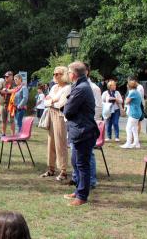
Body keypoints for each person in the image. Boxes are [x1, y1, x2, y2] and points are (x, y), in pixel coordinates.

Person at [63, 61, 99, 206]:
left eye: (68, 72)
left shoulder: (81, 88)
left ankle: (82, 196)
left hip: (83, 131)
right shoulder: (80, 86)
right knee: (76, 163)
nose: (68, 75)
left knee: (82, 164)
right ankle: (79, 191)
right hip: (80, 130)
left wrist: (66, 107)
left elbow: (68, 111)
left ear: (73, 74)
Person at [40, 67, 71, 181]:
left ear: (63, 75)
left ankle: (63, 171)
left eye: (57, 74)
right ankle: (51, 168)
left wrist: (51, 100)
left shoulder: (67, 88)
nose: (55, 76)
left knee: (60, 143)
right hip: (51, 114)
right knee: (51, 142)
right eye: (54, 74)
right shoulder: (54, 87)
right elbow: (46, 101)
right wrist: (53, 100)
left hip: (60, 115)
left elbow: (61, 104)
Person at [121, 79, 143, 149]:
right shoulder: (136, 92)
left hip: (134, 113)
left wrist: (127, 98)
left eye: (127, 84)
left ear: (129, 86)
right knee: (134, 129)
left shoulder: (132, 92)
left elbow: (126, 102)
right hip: (138, 112)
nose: (127, 85)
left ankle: (128, 143)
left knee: (128, 128)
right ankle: (136, 144)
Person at [0, 71, 16, 136]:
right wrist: (2, 91)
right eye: (5, 77)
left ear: (11, 77)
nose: (5, 78)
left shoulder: (14, 83)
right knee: (3, 120)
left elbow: (15, 91)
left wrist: (6, 91)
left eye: (7, 77)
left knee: (12, 120)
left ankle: (13, 135)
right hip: (3, 104)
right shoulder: (3, 83)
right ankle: (3, 134)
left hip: (11, 105)